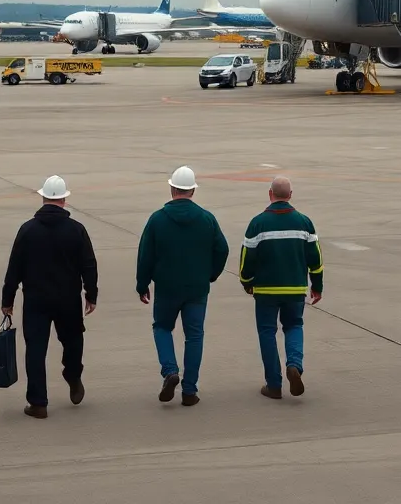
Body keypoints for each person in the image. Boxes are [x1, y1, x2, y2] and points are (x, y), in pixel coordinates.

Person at [1, 175, 98, 419]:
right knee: (73, 341)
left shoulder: (27, 230)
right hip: (68, 300)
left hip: (36, 301)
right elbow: (89, 265)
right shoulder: (77, 230)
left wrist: (8, 300)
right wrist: (91, 294)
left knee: (35, 350)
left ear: (43, 197)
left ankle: (38, 402)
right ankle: (73, 374)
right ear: (64, 199)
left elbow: (14, 268)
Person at [135, 166, 229, 407]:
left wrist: (142, 283)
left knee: (162, 328)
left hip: (167, 287)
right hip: (197, 288)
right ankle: (190, 391)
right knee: (194, 336)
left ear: (172, 188)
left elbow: (146, 254)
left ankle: (170, 371)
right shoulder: (207, 218)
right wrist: (210, 275)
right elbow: (222, 249)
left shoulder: (157, 219)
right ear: (193, 191)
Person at [238, 176, 323, 399]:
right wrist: (317, 286)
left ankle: (274, 385)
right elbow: (316, 259)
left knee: (267, 332)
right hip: (295, 289)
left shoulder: (258, 223)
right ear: (290, 196)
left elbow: (247, 258)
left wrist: (247, 282)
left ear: (270, 194)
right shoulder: (305, 222)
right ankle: (294, 364)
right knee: (294, 326)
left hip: (265, 290)